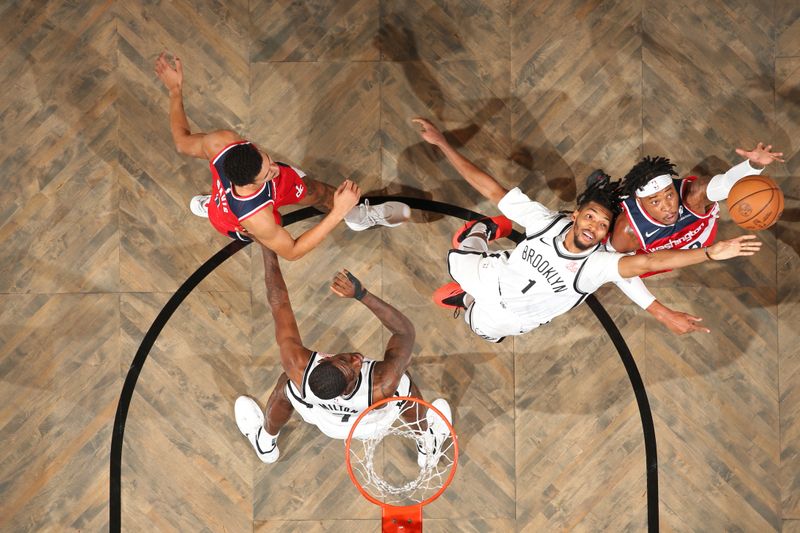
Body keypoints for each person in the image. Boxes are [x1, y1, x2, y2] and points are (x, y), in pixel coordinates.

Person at [413, 118, 762, 343]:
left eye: (603, 224)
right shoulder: (544, 220)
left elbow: (644, 265)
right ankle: (483, 231)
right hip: (490, 274)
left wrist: (710, 253)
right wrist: (443, 144)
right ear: (576, 214)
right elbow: (490, 188)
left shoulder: (597, 264)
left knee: (481, 328)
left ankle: (466, 299)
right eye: (592, 217)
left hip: (513, 317)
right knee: (459, 251)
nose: (595, 228)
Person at [154, 51, 410, 260]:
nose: (276, 168)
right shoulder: (257, 217)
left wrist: (175, 91)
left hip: (236, 196)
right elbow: (293, 252)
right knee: (264, 235)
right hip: (239, 220)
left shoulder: (222, 142)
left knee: (316, 191)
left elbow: (182, 142)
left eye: (267, 159)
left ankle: (357, 219)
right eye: (269, 173)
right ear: (251, 183)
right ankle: (214, 207)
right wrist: (338, 211)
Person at [234, 247, 452, 467]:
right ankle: (427, 442)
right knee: (404, 386)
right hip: (368, 425)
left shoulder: (297, 366)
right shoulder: (381, 383)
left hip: (325, 420)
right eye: (353, 369)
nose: (356, 359)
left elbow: (278, 303)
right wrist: (361, 294)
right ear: (348, 388)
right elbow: (405, 332)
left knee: (286, 385)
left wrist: (268, 248)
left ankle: (265, 443)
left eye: (345, 360)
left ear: (322, 359)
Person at [586, 143, 783, 332]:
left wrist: (753, 165)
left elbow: (725, 184)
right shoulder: (628, 230)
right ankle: (604, 195)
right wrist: (663, 314)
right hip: (653, 252)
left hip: (696, 240)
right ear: (640, 201)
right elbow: (618, 269)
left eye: (669, 195)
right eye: (655, 201)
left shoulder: (693, 195)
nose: (667, 206)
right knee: (603, 232)